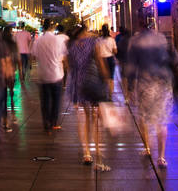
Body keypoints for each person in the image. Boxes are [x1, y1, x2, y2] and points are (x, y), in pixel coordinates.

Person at [128, 17, 177, 167]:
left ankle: (147, 147)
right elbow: (176, 59)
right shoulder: (162, 38)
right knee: (161, 120)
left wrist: (129, 87)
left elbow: (131, 67)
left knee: (143, 117)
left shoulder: (136, 41)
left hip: (146, 83)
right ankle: (161, 157)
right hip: (163, 82)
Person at [66, 24, 111, 171]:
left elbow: (68, 66)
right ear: (84, 31)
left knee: (83, 117)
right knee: (96, 117)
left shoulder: (70, 45)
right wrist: (107, 80)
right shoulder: (93, 42)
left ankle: (86, 152)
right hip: (92, 81)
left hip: (78, 84)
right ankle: (97, 151)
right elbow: (100, 62)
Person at [31, 20, 67, 131]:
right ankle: (53, 122)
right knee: (56, 101)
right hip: (56, 74)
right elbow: (63, 56)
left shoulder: (38, 41)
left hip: (43, 74)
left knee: (45, 101)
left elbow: (33, 56)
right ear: (52, 27)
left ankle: (46, 122)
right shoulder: (57, 40)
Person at [0, 25, 19, 132]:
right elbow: (17, 58)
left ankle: (5, 120)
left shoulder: (0, 44)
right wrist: (19, 71)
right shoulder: (13, 45)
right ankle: (12, 113)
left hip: (1, 72)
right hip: (11, 71)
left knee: (3, 96)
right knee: (11, 94)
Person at [97, 24, 118, 94]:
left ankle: (104, 93)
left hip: (102, 59)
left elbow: (97, 50)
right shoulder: (111, 40)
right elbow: (115, 51)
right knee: (111, 78)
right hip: (110, 58)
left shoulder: (99, 40)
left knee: (103, 77)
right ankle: (110, 95)